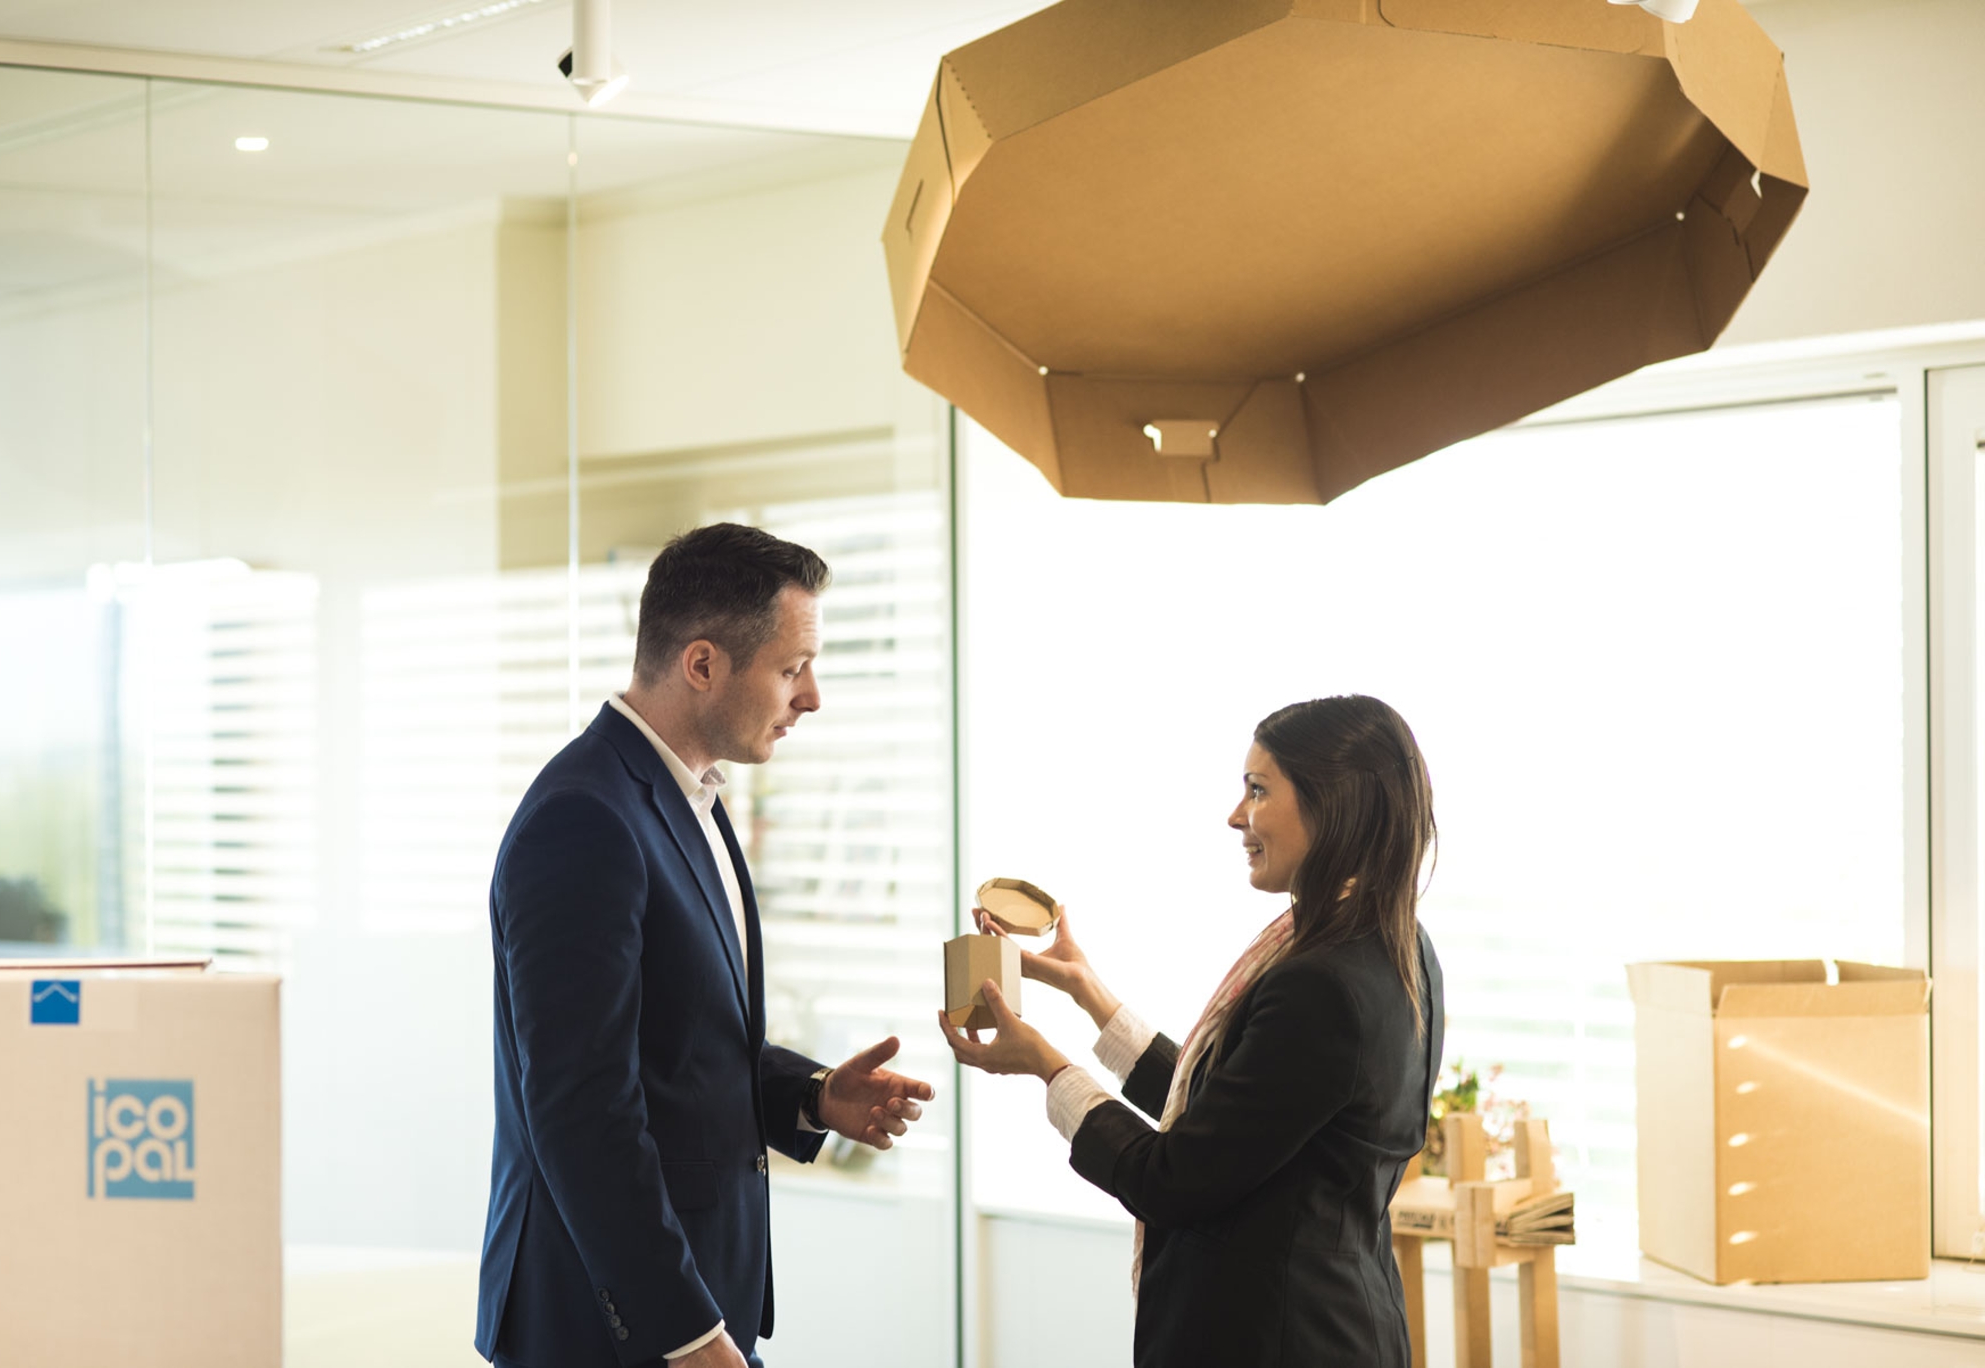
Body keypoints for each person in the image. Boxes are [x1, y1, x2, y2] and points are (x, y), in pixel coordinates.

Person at [478, 523, 936, 1368]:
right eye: (793, 668)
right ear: (702, 665)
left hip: (693, 1307)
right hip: (609, 1327)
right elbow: (582, 1112)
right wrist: (687, 1337)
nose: (813, 696)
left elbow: (677, 1048)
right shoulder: (584, 818)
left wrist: (814, 1096)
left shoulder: (693, 798)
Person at [940, 695, 1445, 1367]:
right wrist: (1090, 994)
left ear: (1335, 804)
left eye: (1258, 791)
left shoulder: (1322, 982)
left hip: (1285, 1340)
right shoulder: (1396, 944)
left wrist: (1048, 1067)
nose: (1236, 816)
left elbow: (1172, 1180)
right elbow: (1236, 1118)